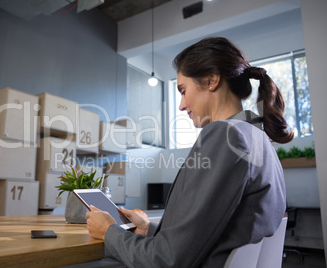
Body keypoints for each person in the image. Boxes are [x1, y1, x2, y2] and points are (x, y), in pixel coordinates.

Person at [85, 37, 293, 267]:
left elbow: (166, 261)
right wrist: (149, 229)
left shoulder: (225, 135)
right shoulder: (258, 138)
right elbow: (222, 234)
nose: (181, 105)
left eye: (183, 91)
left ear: (211, 80)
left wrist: (109, 232)